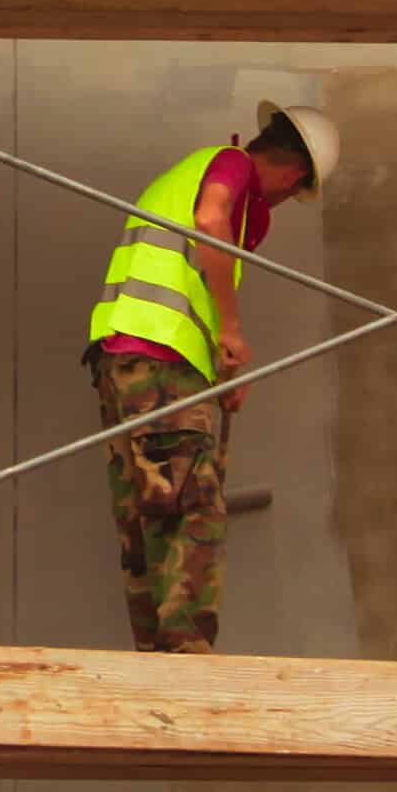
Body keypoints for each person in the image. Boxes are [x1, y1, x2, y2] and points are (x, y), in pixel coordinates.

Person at [83, 102, 334, 653]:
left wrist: (222, 368)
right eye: (292, 192)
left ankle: (155, 657)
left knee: (147, 515)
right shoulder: (229, 165)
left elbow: (190, 282)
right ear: (293, 176)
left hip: (124, 362)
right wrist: (234, 329)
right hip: (161, 364)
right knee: (194, 510)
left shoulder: (184, 178)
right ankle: (187, 658)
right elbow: (211, 219)